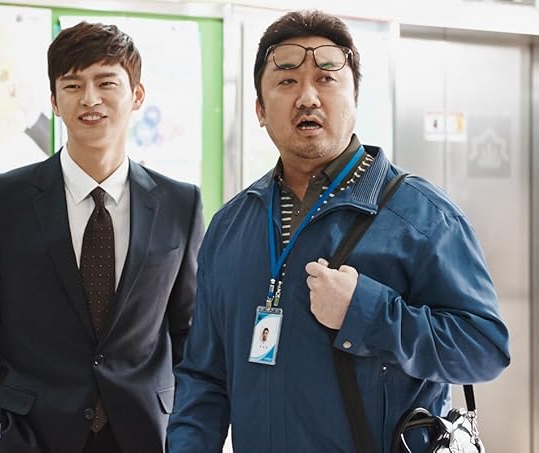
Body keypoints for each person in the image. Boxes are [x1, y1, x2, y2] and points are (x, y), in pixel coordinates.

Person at [167, 9, 509, 452]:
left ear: (355, 98)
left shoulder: (422, 216)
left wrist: (368, 313)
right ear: (259, 110)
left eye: (326, 79)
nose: (307, 97)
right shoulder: (231, 226)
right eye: (287, 81)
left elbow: (484, 348)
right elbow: (204, 378)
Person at [0, 21, 203, 453]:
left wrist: (186, 429)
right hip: (27, 435)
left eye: (106, 82)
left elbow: (189, 331)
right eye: (73, 85)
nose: (90, 99)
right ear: (55, 102)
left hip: (146, 435)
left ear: (137, 95)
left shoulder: (180, 203)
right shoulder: (1, 199)